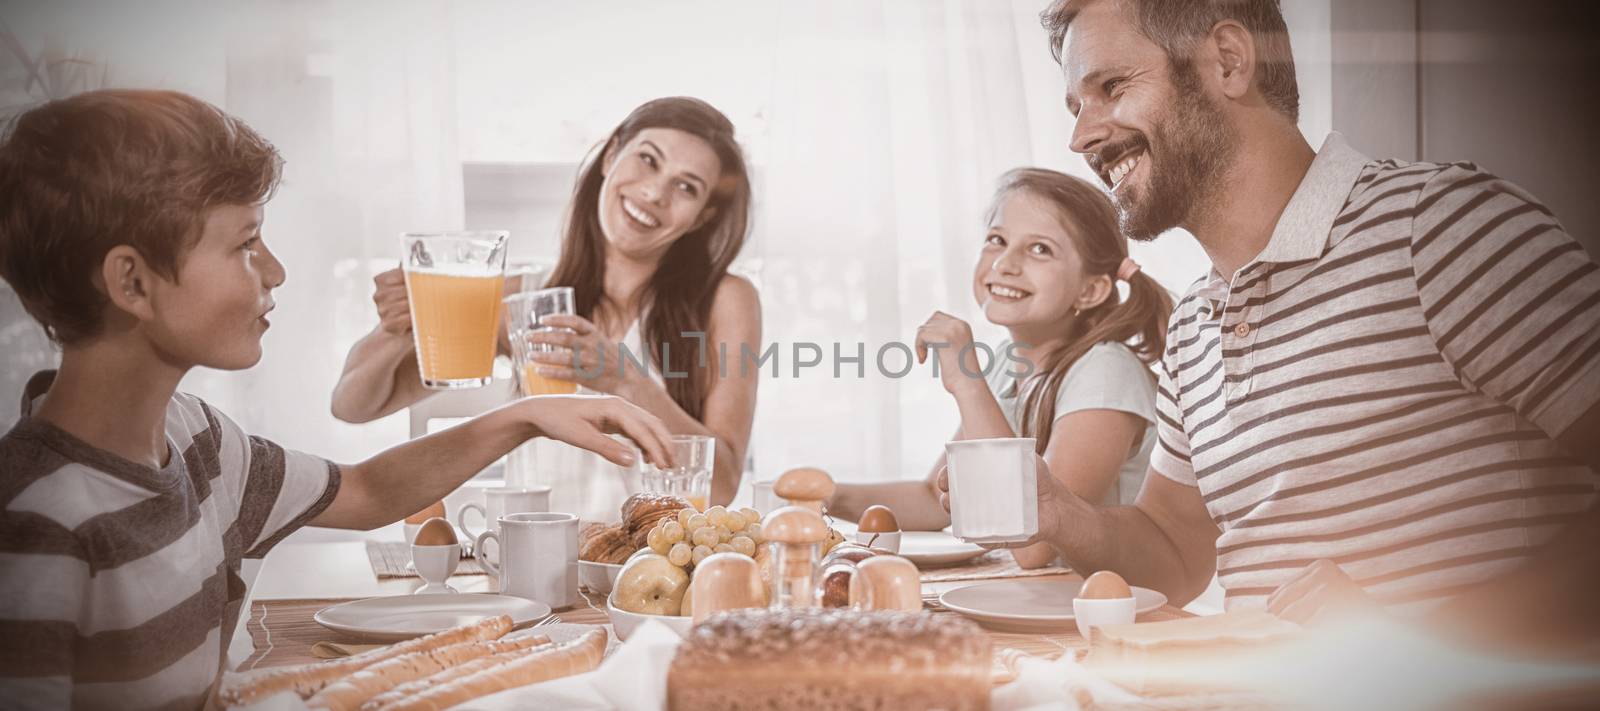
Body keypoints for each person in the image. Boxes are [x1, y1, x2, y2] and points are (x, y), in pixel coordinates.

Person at [0, 90, 674, 710]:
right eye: (245, 243)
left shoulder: (198, 439)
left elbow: (364, 489)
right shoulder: (36, 522)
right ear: (132, 282)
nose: (277, 271)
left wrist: (527, 417)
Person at [938, 0, 1599, 615]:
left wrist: (1425, 641)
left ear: (1229, 61)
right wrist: (1058, 510)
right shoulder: (1195, 324)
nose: (1081, 137)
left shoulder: (1440, 226)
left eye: (1112, 87)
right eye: (1075, 105)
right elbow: (1173, 551)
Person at [330, 97, 761, 521]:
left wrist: (625, 378)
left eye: (686, 187)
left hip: (656, 575)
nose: (654, 192)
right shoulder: (523, 300)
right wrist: (396, 330)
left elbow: (721, 484)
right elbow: (354, 405)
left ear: (702, 216)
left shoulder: (726, 299)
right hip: (536, 569)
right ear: (611, 155)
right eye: (648, 160)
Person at [830, 168, 1172, 568]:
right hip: (1033, 602)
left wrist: (966, 382)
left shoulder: (1107, 372)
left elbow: (1033, 544)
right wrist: (830, 496)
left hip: (1095, 616)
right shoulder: (1007, 370)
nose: (1006, 264)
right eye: (997, 240)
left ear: (1091, 289)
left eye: (1040, 249)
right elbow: (932, 500)